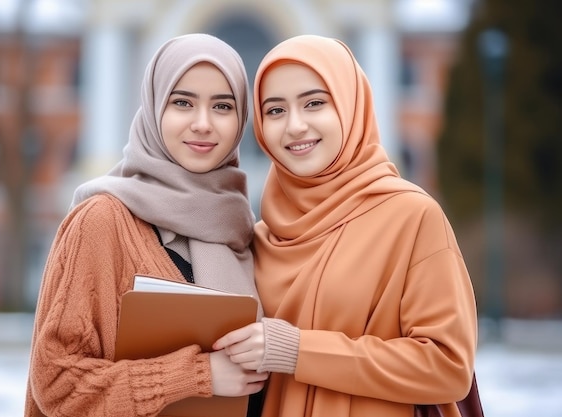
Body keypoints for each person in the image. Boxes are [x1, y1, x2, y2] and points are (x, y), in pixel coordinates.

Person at [213, 34, 478, 417]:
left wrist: (296, 350)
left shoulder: (410, 217)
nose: (295, 126)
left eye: (315, 103)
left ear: (351, 106)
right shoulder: (259, 237)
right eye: (275, 110)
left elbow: (448, 367)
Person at [24, 33, 268, 417]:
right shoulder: (102, 220)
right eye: (182, 102)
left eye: (222, 106)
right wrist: (197, 375)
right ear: (154, 108)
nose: (203, 124)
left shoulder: (242, 230)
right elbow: (57, 385)